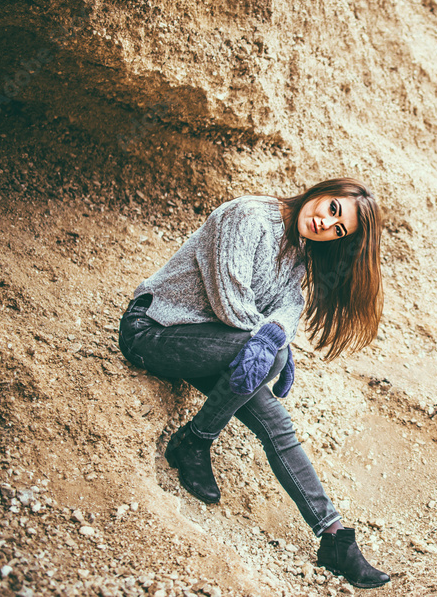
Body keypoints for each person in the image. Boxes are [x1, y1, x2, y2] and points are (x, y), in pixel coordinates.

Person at [117, 178, 390, 589]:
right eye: (332, 209)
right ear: (322, 191)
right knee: (271, 353)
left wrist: (275, 335)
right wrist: (269, 342)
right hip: (153, 332)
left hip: (210, 344)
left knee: (277, 423)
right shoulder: (247, 215)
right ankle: (195, 439)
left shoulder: (298, 252)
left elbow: (288, 305)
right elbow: (228, 298)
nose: (325, 223)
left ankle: (333, 537)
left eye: (339, 229)